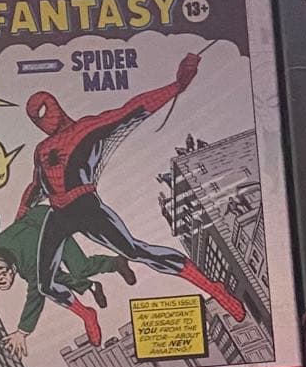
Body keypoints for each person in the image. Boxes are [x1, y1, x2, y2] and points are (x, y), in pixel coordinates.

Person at [16, 53, 244, 346]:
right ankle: (87, 314)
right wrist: (22, 210)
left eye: (43, 111)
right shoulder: (41, 149)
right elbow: (37, 185)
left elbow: (132, 109)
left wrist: (177, 85)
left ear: (56, 106)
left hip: (86, 207)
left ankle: (213, 288)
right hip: (58, 213)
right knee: (44, 283)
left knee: (136, 251)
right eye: (36, 117)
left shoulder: (87, 128)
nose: (42, 121)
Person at [0, 206, 134, 359]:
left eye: (3, 274)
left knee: (79, 269)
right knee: (53, 277)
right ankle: (90, 289)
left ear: (13, 268)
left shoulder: (30, 266)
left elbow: (35, 298)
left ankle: (116, 264)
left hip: (50, 225)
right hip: (35, 239)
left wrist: (22, 332)